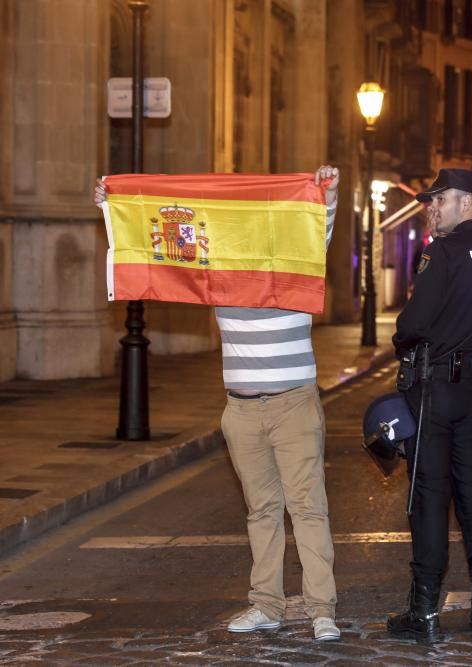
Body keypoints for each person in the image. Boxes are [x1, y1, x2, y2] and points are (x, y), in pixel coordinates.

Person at [95, 166, 342, 642]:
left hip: (294, 404)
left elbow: (321, 224)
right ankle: (266, 605)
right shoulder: (216, 273)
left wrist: (328, 193)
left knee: (308, 508)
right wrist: (112, 203)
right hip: (242, 411)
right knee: (262, 511)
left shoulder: (294, 260)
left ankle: (320, 609)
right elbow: (157, 245)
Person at [387, 168, 472, 643]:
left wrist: (400, 338)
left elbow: (415, 321)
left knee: (430, 495)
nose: (431, 208)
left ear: (467, 202)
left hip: (437, 387)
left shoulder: (440, 252)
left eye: (438, 200)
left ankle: (423, 612)